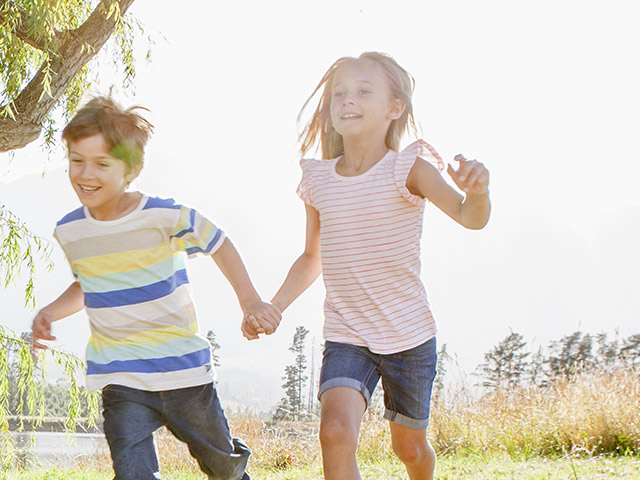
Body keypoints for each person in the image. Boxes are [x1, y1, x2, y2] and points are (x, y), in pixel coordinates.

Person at [243, 52, 491, 480]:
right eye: (339, 93)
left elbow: (471, 217)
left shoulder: (407, 168)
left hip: (408, 335)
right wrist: (275, 306)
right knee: (335, 431)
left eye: (362, 91)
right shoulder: (318, 179)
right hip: (347, 333)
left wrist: (480, 192)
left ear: (394, 108)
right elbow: (311, 256)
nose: (347, 100)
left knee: (409, 449)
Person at [31, 96, 281, 480]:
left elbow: (218, 242)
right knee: (132, 473)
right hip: (121, 376)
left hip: (183, 372)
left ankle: (234, 462)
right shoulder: (71, 230)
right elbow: (89, 283)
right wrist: (50, 312)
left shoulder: (163, 216)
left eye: (101, 163)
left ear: (131, 169)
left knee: (222, 467)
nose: (85, 173)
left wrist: (249, 301)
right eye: (76, 160)